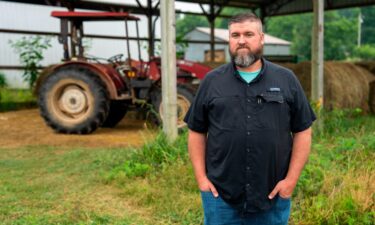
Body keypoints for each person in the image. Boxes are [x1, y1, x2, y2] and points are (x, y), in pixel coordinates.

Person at [184, 12, 316, 225]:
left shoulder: (286, 79)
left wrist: (290, 182)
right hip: (221, 198)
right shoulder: (212, 81)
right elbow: (196, 130)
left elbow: (303, 130)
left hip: (272, 196)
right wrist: (201, 179)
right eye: (235, 35)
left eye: (248, 34)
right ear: (229, 40)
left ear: (261, 38)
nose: (241, 40)